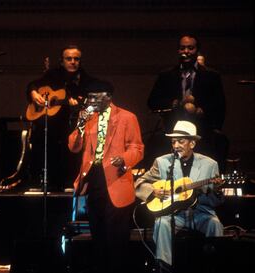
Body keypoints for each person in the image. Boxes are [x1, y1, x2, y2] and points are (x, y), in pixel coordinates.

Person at [68, 80, 144, 273]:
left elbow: (137, 148)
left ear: (108, 97)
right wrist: (81, 125)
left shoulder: (127, 117)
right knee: (98, 236)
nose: (90, 100)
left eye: (95, 96)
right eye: (89, 97)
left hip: (117, 179)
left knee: (116, 239)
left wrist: (124, 159)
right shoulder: (88, 118)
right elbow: (74, 147)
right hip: (94, 179)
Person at [134, 120, 224, 273]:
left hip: (201, 212)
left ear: (192, 143)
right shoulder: (162, 162)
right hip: (172, 214)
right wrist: (152, 191)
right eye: (173, 141)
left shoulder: (210, 164)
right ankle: (163, 266)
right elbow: (140, 182)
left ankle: (212, 264)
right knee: (162, 222)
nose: (176, 145)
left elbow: (215, 202)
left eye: (181, 141)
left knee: (214, 223)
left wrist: (216, 190)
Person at [147, 34, 227, 171]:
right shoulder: (166, 75)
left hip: (202, 132)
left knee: (202, 170)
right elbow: (152, 101)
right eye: (182, 48)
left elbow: (220, 105)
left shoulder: (211, 75)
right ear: (178, 50)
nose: (186, 52)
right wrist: (176, 103)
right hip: (173, 130)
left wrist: (203, 110)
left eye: (190, 48)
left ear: (197, 50)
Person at [26, 45, 97, 191]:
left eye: (76, 59)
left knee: (70, 150)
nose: (72, 62)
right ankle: (40, 182)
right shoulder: (53, 74)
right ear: (61, 61)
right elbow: (33, 84)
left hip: (70, 125)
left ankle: (69, 183)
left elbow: (88, 102)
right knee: (42, 145)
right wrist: (33, 93)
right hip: (50, 126)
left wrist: (76, 105)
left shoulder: (85, 80)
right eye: (68, 59)